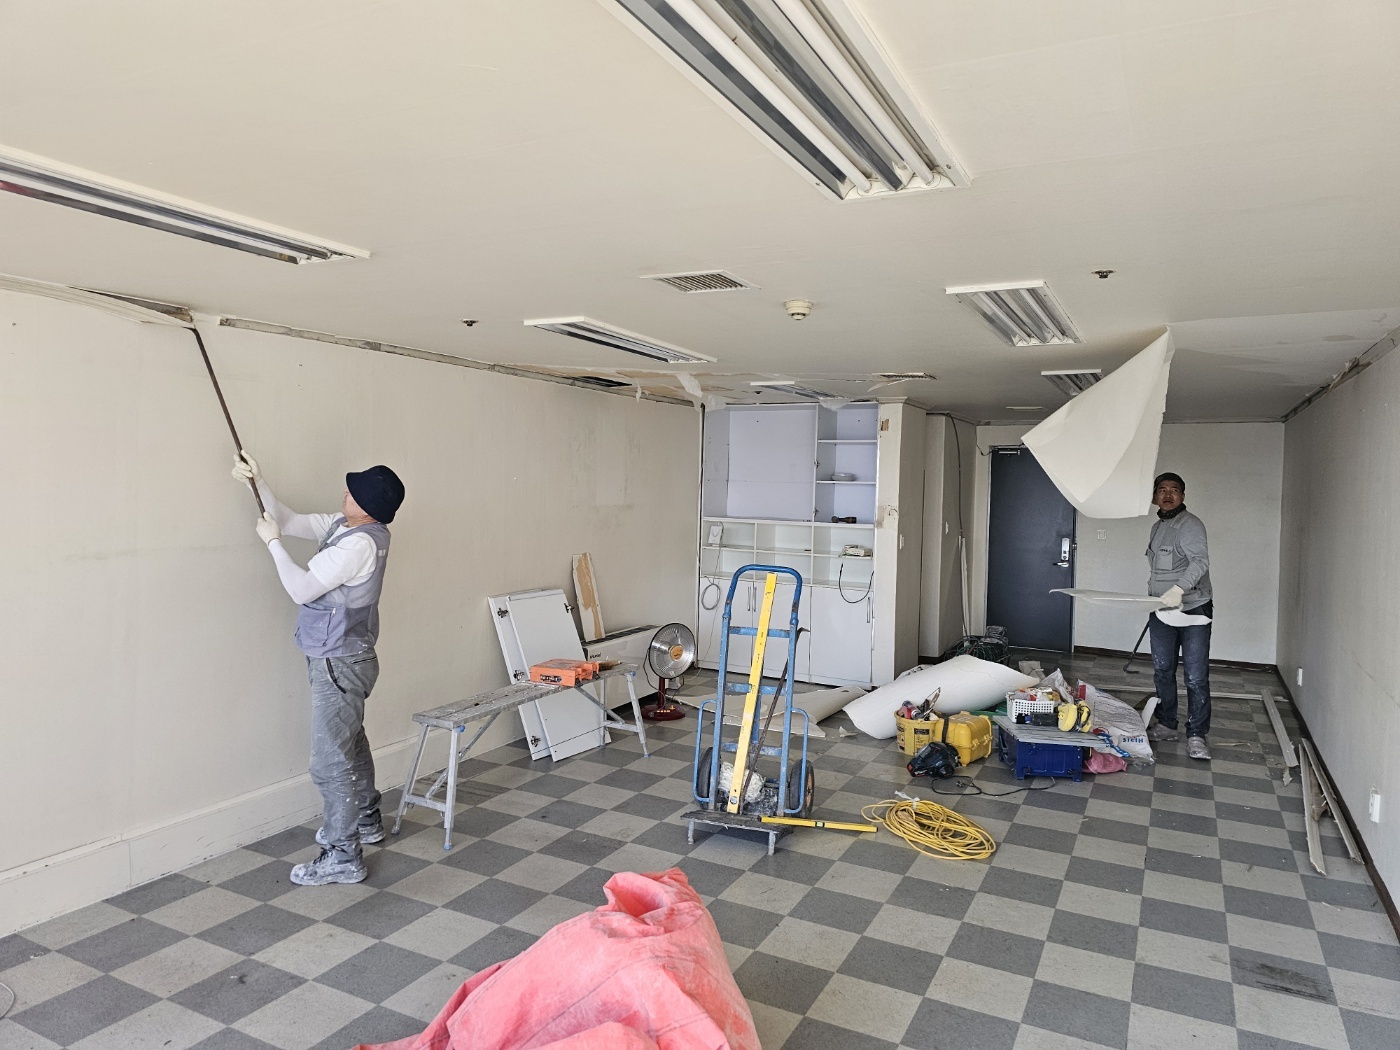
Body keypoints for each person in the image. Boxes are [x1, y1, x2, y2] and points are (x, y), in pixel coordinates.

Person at [233, 452, 405, 885]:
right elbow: (289, 519)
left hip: (338, 662)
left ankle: (342, 856)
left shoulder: (358, 545)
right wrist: (258, 482)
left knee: (329, 761)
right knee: (350, 744)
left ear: (369, 508)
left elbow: (301, 588)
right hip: (348, 657)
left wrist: (272, 544)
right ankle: (366, 820)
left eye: (355, 492)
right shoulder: (347, 526)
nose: (346, 492)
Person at [1144, 471, 1212, 761]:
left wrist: (1179, 589)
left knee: (1195, 676)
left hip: (1193, 608)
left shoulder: (1190, 524)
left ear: (1183, 496)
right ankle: (1167, 724)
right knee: (1163, 669)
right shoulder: (1158, 527)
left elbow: (1200, 561)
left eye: (1174, 490)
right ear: (1154, 497)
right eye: (1162, 489)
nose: (1168, 494)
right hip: (1162, 609)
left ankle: (1196, 735)